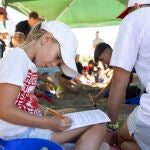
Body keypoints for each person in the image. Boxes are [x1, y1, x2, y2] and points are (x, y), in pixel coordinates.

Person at [0, 20, 106, 150]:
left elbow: (22, 100)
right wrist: (47, 122)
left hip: (26, 129)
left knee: (74, 115)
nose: (54, 65)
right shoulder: (17, 58)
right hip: (21, 135)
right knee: (99, 126)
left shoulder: (27, 62)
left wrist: (47, 112)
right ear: (46, 38)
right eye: (57, 57)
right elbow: (4, 109)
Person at [106, 0, 150, 149]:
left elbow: (119, 82)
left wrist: (112, 126)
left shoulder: (134, 18)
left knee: (122, 141)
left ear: (137, 5)